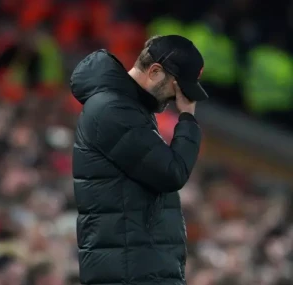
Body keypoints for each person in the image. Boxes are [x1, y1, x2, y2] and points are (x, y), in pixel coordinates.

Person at [70, 35, 207, 285]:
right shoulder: (112, 109)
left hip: (134, 266)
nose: (179, 99)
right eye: (177, 88)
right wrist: (187, 118)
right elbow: (172, 172)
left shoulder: (131, 109)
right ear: (155, 71)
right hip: (126, 271)